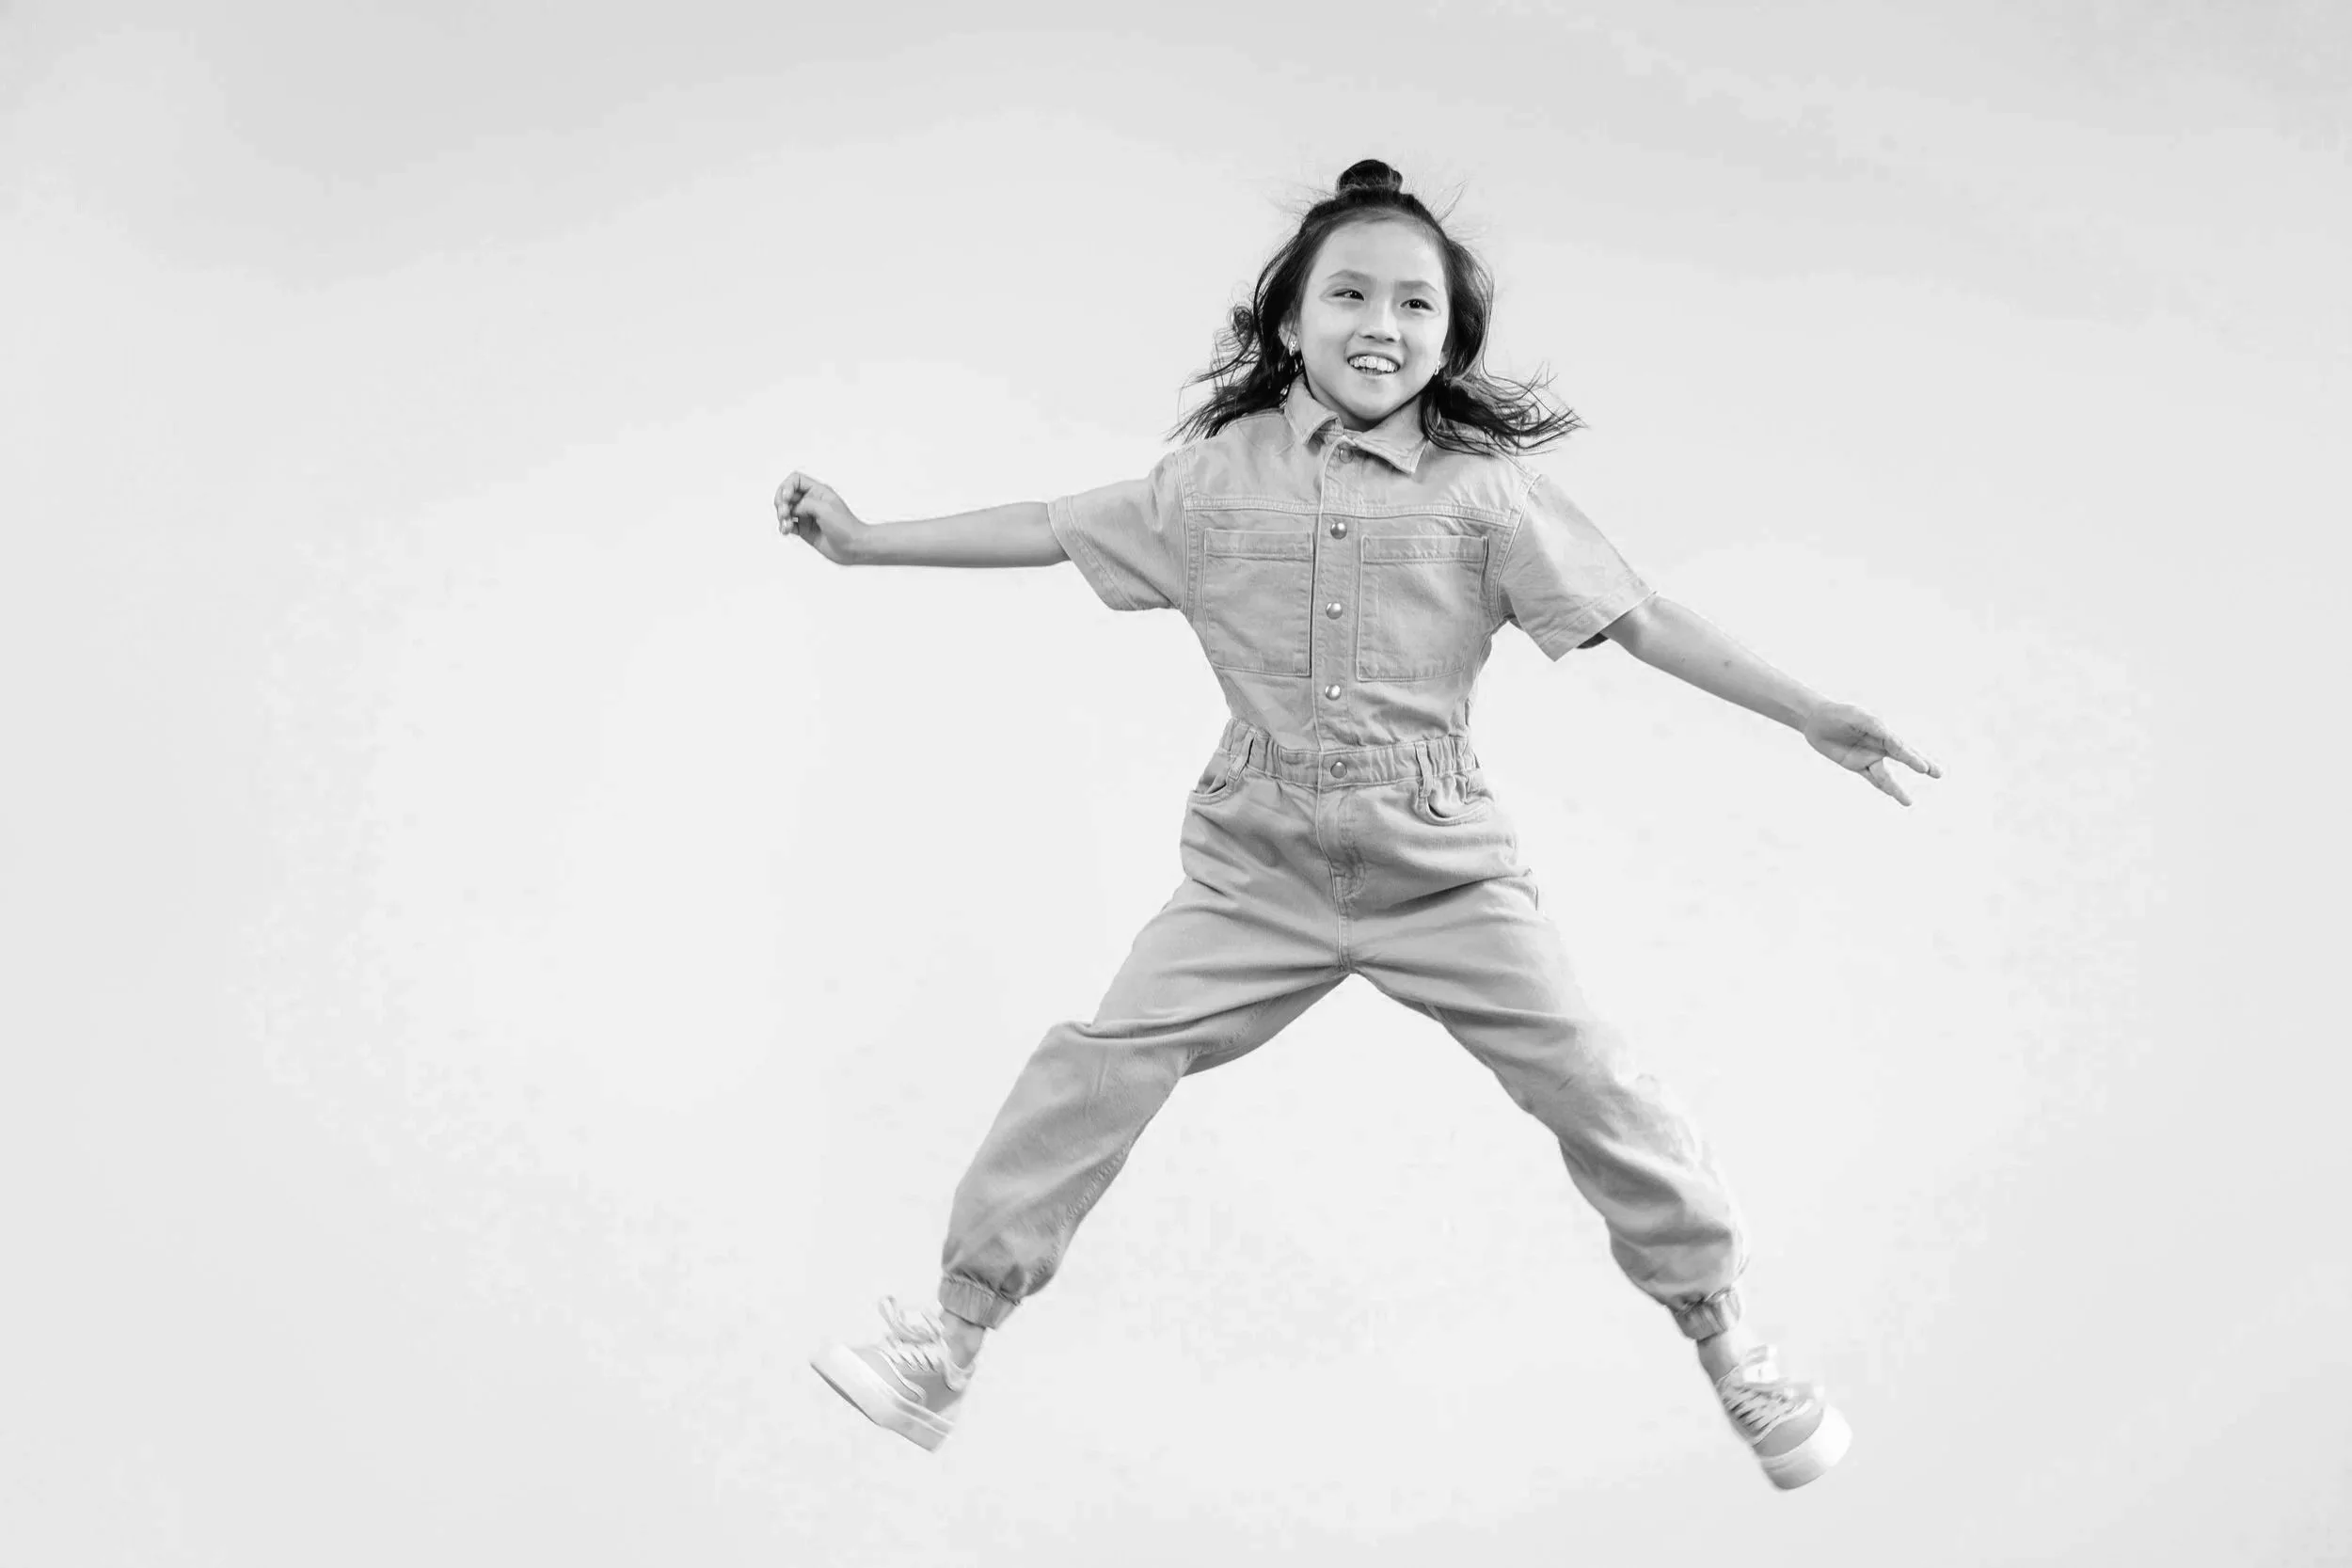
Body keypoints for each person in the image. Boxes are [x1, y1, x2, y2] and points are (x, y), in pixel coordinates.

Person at [787, 159, 1939, 1489]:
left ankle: (1734, 1345)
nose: (1381, 324)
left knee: (1594, 1081)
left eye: (1417, 306)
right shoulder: (1211, 483)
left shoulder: (1482, 496)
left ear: (1447, 343)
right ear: (1290, 318)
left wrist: (1807, 709)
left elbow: (1639, 615)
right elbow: (1050, 526)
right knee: (1097, 1063)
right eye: (1349, 293)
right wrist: (866, 542)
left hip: (1440, 865)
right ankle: (950, 1337)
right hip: (1256, 863)